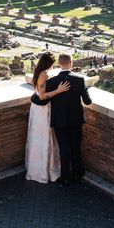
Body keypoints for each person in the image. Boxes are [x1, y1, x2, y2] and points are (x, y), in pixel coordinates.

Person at [45, 54, 92, 185]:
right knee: (75, 147)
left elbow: (44, 99)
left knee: (63, 148)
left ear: (59, 64)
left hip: (59, 121)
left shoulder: (52, 81)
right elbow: (87, 102)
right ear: (71, 63)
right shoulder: (79, 80)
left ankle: (64, 176)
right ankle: (77, 174)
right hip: (75, 120)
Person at [25, 52, 70, 183]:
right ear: (49, 63)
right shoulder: (43, 74)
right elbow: (42, 96)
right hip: (42, 109)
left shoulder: (40, 71)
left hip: (38, 108)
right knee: (43, 136)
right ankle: (43, 171)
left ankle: (39, 167)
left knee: (39, 136)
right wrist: (59, 90)